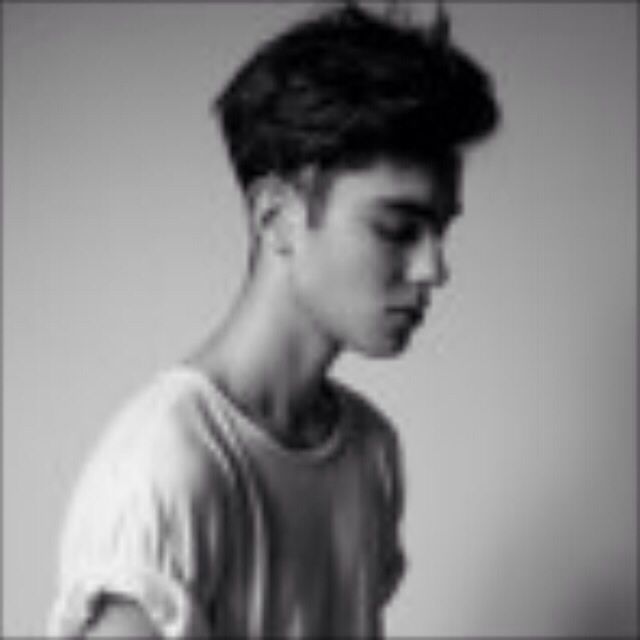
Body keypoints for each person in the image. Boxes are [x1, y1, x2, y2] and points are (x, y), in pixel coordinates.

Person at [48, 2, 500, 637]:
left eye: (439, 231)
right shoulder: (163, 468)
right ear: (276, 217)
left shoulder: (371, 449)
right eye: (398, 229)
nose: (434, 269)